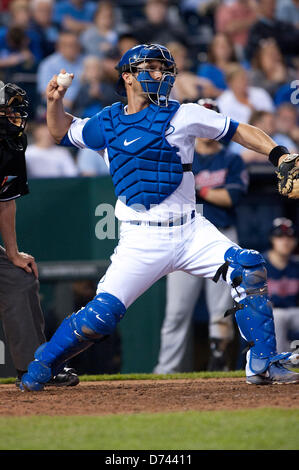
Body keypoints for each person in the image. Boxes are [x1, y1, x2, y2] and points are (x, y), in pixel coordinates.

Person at [19, 43, 299, 391]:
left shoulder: (184, 114)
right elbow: (62, 131)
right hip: (141, 238)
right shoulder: (106, 122)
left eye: (164, 69)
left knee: (249, 267)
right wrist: (54, 100)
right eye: (150, 68)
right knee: (100, 317)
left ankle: (262, 363)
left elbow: (238, 129)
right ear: (127, 76)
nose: (160, 75)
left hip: (191, 229)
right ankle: (44, 365)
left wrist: (280, 155)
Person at [154, 99, 248, 374]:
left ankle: (219, 366)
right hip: (183, 235)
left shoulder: (231, 158)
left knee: (220, 311)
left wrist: (195, 189)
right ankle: (166, 370)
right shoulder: (181, 151)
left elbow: (230, 197)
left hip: (220, 234)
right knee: (176, 313)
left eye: (210, 117)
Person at [0, 81, 79, 387]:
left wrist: (13, 252)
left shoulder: (10, 147)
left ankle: (36, 366)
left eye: (13, 111)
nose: (13, 118)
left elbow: (5, 203)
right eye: (5, 111)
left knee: (19, 279)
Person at [264, 218, 299, 353]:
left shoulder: (296, 264)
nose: (285, 241)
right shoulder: (259, 264)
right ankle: (277, 363)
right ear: (272, 239)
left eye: (290, 237)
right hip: (268, 314)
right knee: (277, 317)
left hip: (293, 312)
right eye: (280, 236)